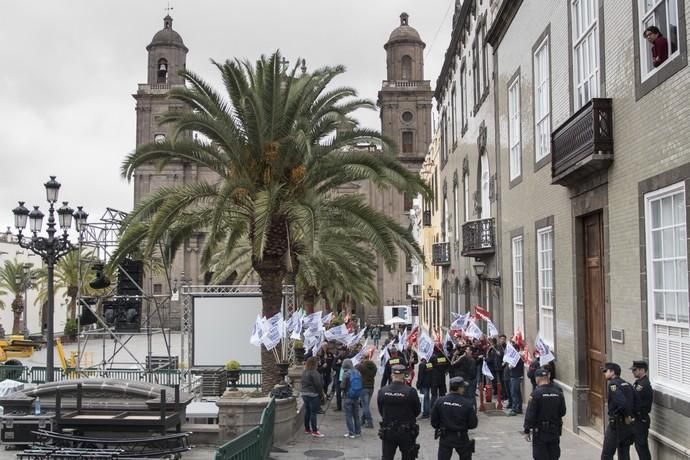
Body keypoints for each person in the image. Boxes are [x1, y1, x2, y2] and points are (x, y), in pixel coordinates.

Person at [377, 364, 421, 460]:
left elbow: (381, 410)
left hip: (388, 430)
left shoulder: (382, 391)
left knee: (387, 457)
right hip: (406, 431)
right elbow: (417, 411)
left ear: (392, 375)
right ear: (404, 375)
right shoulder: (410, 391)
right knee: (408, 456)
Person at [430, 376, 478, 460]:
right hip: (461, 437)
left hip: (445, 436)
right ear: (459, 388)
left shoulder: (440, 401)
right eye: (463, 387)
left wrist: (441, 426)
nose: (464, 389)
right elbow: (473, 424)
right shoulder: (467, 403)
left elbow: (434, 421)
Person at [523, 368, 566, 459]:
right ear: (548, 378)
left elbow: (530, 414)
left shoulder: (536, 394)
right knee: (553, 455)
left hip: (540, 432)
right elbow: (563, 411)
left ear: (537, 379)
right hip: (554, 430)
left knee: (540, 455)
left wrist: (527, 430)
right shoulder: (558, 392)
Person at [601, 362, 634, 460]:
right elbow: (636, 402)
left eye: (605, 371)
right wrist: (630, 416)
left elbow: (622, 403)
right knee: (624, 453)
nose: (604, 374)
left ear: (612, 372)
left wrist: (624, 415)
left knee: (607, 453)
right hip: (627, 425)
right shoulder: (627, 384)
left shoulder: (613, 385)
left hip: (616, 423)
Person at [630, 360, 652, 460]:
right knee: (639, 446)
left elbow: (633, 399)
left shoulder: (643, 385)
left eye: (635, 370)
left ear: (642, 370)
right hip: (637, 419)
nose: (633, 372)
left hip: (641, 419)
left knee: (642, 446)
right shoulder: (639, 383)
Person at [300, 357, 326, 437]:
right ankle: (314, 431)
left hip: (304, 393)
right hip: (313, 394)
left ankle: (307, 429)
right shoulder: (314, 373)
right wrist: (321, 394)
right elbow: (318, 384)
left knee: (307, 411)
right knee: (313, 413)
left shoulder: (304, 372)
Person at [341, 358, 362, 438]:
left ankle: (351, 433)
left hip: (348, 396)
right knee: (356, 415)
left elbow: (342, 386)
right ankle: (358, 432)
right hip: (356, 396)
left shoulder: (346, 373)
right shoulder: (358, 372)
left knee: (348, 415)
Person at [356, 354, 378, 429]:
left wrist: (360, 362)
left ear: (363, 358)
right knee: (366, 405)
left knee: (365, 406)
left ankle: (370, 422)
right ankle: (362, 420)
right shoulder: (374, 366)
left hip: (364, 387)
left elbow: (356, 367)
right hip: (371, 387)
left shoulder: (362, 366)